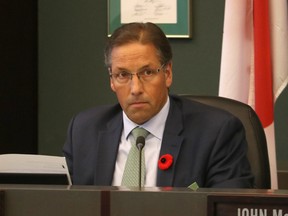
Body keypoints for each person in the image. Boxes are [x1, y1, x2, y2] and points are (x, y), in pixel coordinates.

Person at [63, 22, 254, 188]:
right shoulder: (83, 131)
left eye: (147, 72)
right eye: (122, 75)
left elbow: (228, 208)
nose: (135, 88)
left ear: (167, 73)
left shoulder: (216, 132)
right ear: (111, 81)